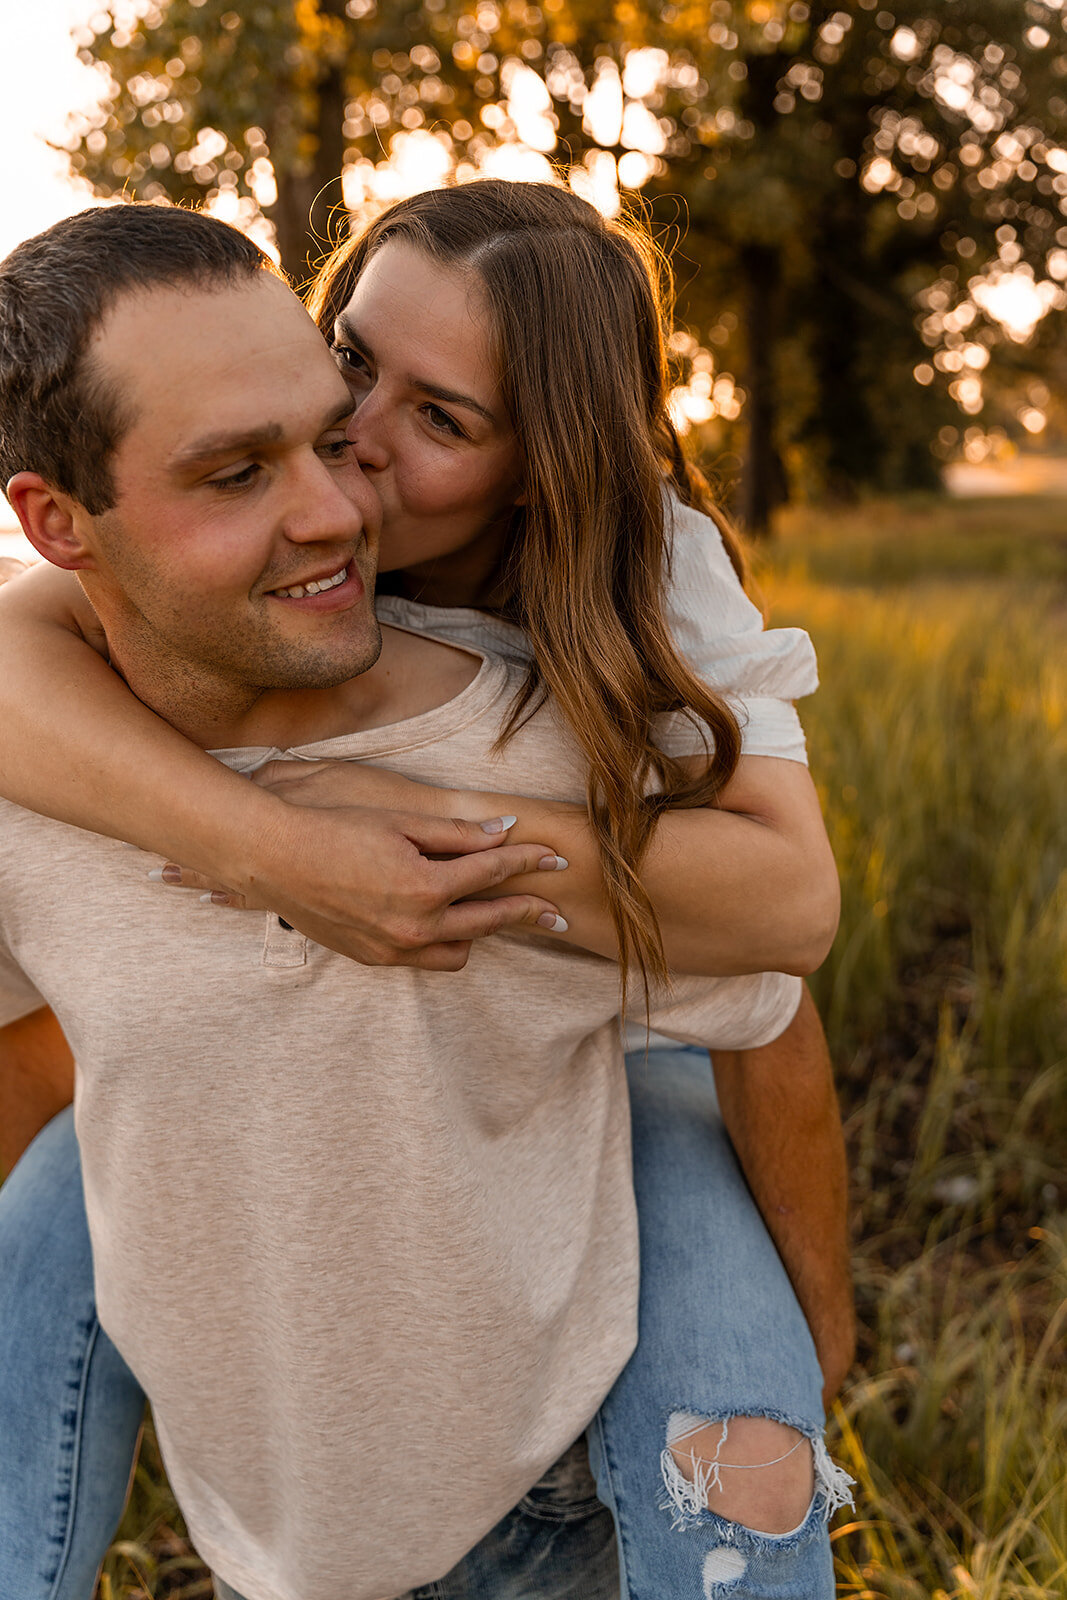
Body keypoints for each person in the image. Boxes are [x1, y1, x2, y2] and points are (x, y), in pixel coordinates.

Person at [0, 191, 853, 1600]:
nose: (358, 455)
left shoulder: (643, 568)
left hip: (644, 1057)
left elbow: (780, 914)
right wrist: (267, 849)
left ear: (543, 469)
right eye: (348, 366)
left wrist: (439, 828)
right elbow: (26, 640)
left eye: (445, 421)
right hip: (396, 1123)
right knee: (59, 1213)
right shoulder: (149, 612)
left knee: (736, 1409)